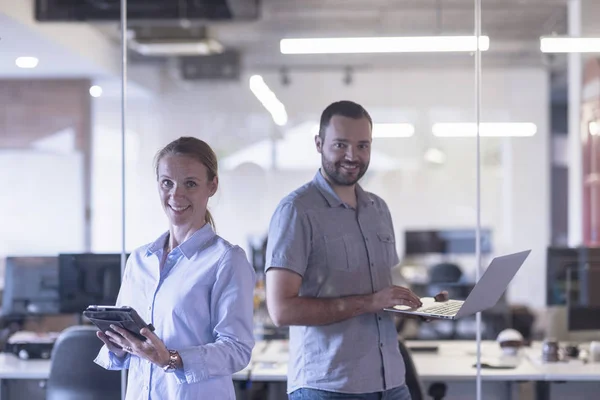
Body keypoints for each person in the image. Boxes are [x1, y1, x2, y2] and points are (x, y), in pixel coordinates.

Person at [265, 101, 447, 400]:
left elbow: (382, 295)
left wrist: (421, 306)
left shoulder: (378, 209)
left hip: (391, 382)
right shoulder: (296, 210)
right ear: (319, 144)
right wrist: (371, 301)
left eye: (363, 146)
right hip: (329, 387)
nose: (353, 156)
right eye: (340, 145)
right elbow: (281, 310)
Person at [94, 136, 256, 400]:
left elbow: (237, 349)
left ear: (212, 186)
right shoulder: (139, 259)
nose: (176, 194)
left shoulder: (226, 260)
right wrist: (120, 344)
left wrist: (171, 359)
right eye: (167, 183)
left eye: (190, 184)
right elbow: (132, 352)